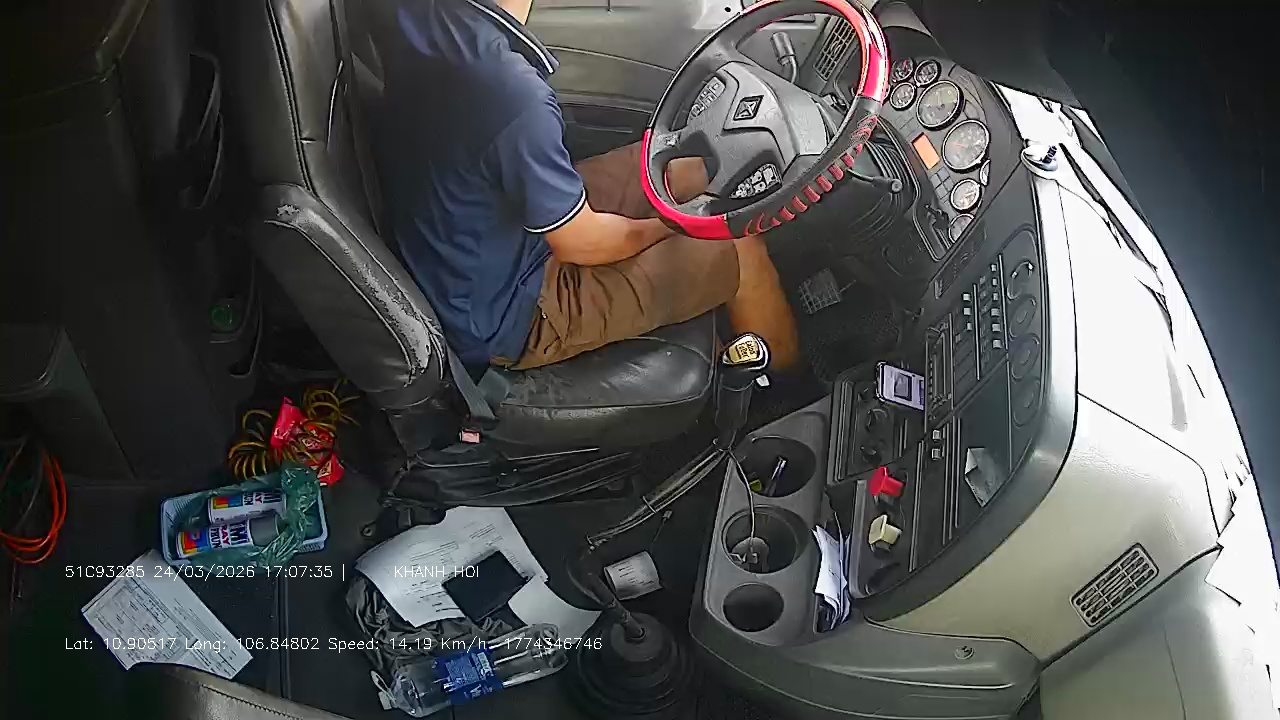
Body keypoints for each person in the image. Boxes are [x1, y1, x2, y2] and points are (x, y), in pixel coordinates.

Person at [373, 0, 800, 373]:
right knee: (738, 243)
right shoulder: (511, 96)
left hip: (477, 226)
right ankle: (784, 391)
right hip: (505, 309)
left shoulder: (416, 14)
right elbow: (583, 245)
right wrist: (680, 224)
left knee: (689, 167)